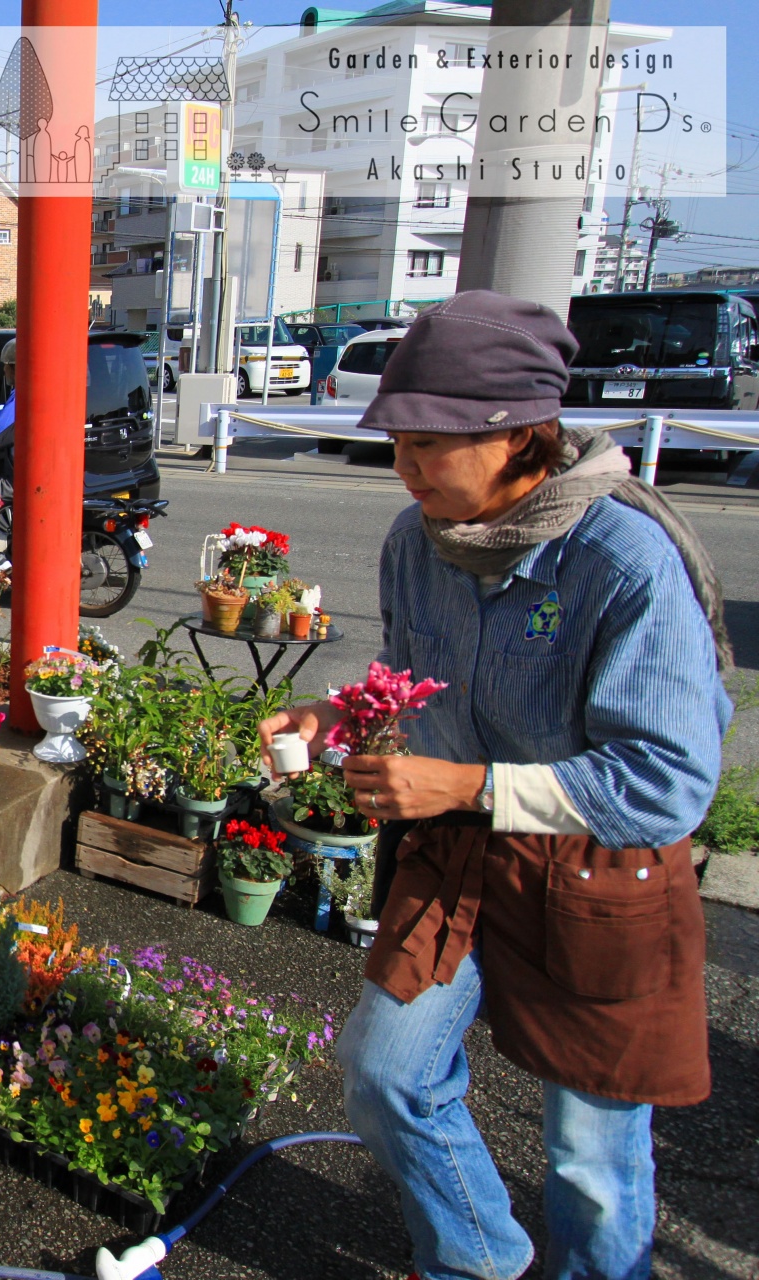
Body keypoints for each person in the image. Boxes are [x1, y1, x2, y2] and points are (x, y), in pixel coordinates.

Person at [258, 290, 730, 1280]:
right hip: (460, 845)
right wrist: (336, 718)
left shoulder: (623, 560)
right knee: (385, 1072)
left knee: (590, 1152)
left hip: (601, 863)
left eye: (431, 443)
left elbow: (668, 783)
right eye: (398, 441)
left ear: (521, 435)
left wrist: (463, 780)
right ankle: (476, 1256)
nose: (407, 466)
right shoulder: (414, 543)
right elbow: (414, 685)